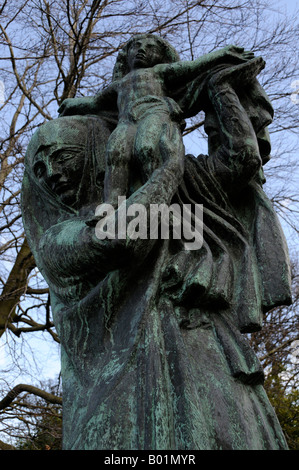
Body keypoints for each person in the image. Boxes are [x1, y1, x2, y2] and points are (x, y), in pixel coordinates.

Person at [22, 47, 292, 450]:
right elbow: (124, 237)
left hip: (210, 353)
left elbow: (240, 158)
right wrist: (167, 171)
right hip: (124, 387)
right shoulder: (58, 239)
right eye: (40, 169)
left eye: (63, 158)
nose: (52, 175)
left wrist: (220, 87)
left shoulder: (183, 191)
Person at [58, 34, 256, 206]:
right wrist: (74, 104)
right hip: (127, 121)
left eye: (150, 48)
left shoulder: (159, 72)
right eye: (136, 46)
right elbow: (96, 102)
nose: (142, 50)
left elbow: (192, 67)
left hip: (155, 112)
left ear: (160, 56)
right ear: (126, 55)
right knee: (115, 153)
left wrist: (221, 55)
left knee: (147, 148)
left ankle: (159, 200)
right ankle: (112, 205)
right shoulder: (120, 84)